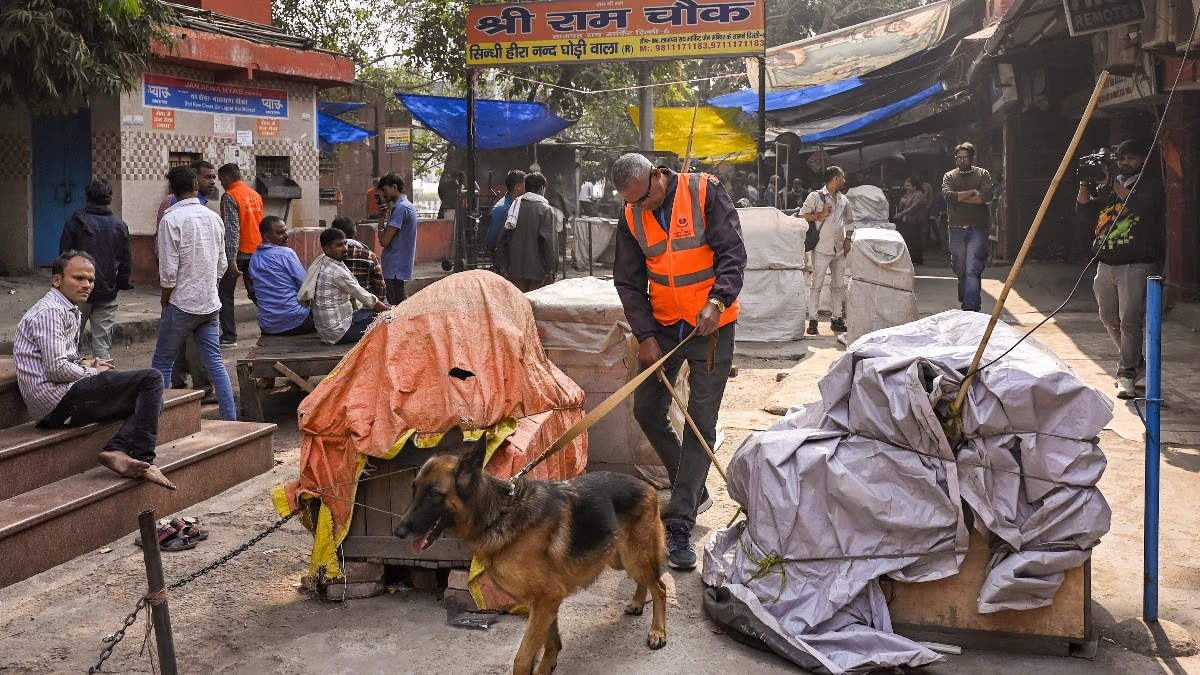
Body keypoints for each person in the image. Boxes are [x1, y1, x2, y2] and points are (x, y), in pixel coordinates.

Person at [610, 153, 746, 571]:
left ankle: (682, 519)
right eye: (633, 202)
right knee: (647, 408)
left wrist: (716, 301)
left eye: (646, 199)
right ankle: (693, 485)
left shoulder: (704, 191)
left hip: (712, 326)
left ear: (657, 175)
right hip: (666, 326)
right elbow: (628, 280)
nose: (642, 208)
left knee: (700, 421)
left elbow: (733, 255)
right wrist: (646, 335)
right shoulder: (631, 214)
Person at [14, 251, 175, 490]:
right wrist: (95, 374)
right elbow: (57, 370)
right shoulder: (49, 312)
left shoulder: (68, 308)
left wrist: (87, 363)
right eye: (78, 278)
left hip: (65, 398)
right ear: (56, 280)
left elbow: (66, 357)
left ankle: (116, 450)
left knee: (152, 401)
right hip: (56, 403)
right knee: (151, 379)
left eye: (90, 280)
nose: (86, 285)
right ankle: (144, 460)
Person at [1077, 139, 1165, 399]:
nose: (1125, 163)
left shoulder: (1149, 184)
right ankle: (1136, 362)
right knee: (1108, 318)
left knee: (1129, 320)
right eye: (1122, 158)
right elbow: (1083, 211)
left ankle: (1126, 371)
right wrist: (1085, 181)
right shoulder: (1108, 185)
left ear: (1142, 160)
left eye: (1131, 158)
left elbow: (1139, 206)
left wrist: (1111, 179)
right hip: (1105, 263)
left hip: (1135, 264)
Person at [152, 166, 237, 421]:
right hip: (210, 302)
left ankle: (158, 422)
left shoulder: (170, 219)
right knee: (215, 363)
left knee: (162, 363)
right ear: (196, 187)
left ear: (171, 191)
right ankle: (230, 420)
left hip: (182, 302)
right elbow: (222, 265)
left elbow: (168, 270)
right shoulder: (213, 218)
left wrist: (165, 299)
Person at [58, 178, 132, 360]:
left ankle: (72, 382)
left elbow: (63, 257)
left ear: (87, 197)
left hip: (76, 294)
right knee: (102, 347)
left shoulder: (75, 222)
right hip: (107, 292)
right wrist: (118, 286)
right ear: (110, 198)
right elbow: (126, 262)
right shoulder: (119, 225)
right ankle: (105, 382)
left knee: (70, 344)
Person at [300, 227, 391, 345]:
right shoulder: (337, 272)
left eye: (345, 244)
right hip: (339, 333)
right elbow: (366, 298)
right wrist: (390, 311)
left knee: (376, 309)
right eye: (339, 245)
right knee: (383, 316)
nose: (345, 249)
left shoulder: (323, 260)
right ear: (327, 249)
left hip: (327, 332)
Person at [941, 142, 994, 312]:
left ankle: (971, 306)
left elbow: (985, 196)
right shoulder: (949, 176)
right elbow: (948, 196)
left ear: (972, 158)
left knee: (972, 267)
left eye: (965, 157)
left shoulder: (982, 174)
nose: (962, 160)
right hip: (955, 228)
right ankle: (965, 297)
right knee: (959, 266)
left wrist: (960, 197)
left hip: (977, 228)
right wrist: (972, 192)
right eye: (959, 158)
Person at [798, 166, 851, 335]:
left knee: (838, 286)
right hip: (822, 248)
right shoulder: (816, 196)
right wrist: (820, 215)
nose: (844, 180)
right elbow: (802, 215)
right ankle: (813, 320)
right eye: (842, 177)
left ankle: (836, 319)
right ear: (835, 179)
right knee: (817, 285)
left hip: (839, 249)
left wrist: (848, 239)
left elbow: (849, 221)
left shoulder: (844, 200)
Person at [218, 162, 264, 345]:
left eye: (221, 179)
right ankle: (274, 326)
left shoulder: (230, 195)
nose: (220, 183)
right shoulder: (254, 195)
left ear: (227, 178)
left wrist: (231, 258)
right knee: (257, 293)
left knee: (225, 294)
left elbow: (232, 229)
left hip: (238, 253)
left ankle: (229, 335)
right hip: (257, 250)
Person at [248, 216, 315, 336]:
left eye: (285, 231)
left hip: (268, 325)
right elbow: (306, 285)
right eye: (280, 233)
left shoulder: (254, 258)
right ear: (267, 237)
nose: (286, 235)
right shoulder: (286, 254)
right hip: (298, 321)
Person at [496, 172, 558, 293]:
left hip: (515, 270)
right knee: (534, 308)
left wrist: (504, 268)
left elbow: (502, 240)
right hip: (538, 272)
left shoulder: (513, 209)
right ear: (541, 189)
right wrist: (551, 270)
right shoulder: (546, 210)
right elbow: (550, 244)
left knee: (519, 308)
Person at [377, 172, 419, 304]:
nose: (383, 195)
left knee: (397, 307)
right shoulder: (403, 206)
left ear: (394, 187)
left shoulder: (401, 208)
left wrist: (381, 219)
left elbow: (384, 241)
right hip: (395, 267)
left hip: (395, 267)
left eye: (385, 190)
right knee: (398, 305)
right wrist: (381, 217)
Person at [330, 216, 386, 297]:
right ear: (355, 232)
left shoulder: (328, 257)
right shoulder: (369, 256)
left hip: (337, 306)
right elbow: (381, 292)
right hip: (366, 306)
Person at [485, 170, 527, 254]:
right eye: (526, 184)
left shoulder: (518, 204)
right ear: (518, 186)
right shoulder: (502, 209)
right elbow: (491, 243)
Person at [895, 176, 928, 265]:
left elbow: (913, 208)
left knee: (915, 239)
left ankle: (917, 259)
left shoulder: (919, 195)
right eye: (907, 185)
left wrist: (901, 214)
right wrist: (901, 203)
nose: (907, 187)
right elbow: (903, 205)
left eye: (909, 186)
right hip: (909, 219)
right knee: (909, 239)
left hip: (916, 220)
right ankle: (912, 258)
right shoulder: (908, 194)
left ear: (915, 187)